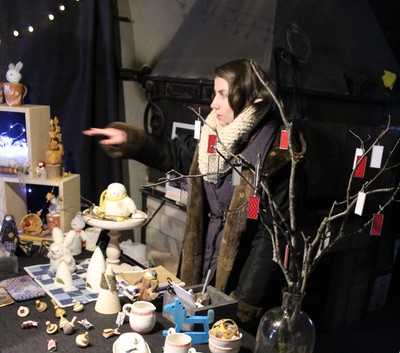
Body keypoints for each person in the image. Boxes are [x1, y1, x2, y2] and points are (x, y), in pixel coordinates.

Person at [84, 58, 306, 331]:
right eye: (215, 93)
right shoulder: (216, 136)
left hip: (241, 282)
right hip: (204, 267)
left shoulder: (275, 154)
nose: (213, 104)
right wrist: (133, 142)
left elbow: (270, 239)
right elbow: (179, 155)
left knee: (225, 343)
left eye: (222, 94)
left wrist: (242, 302)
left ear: (248, 97)